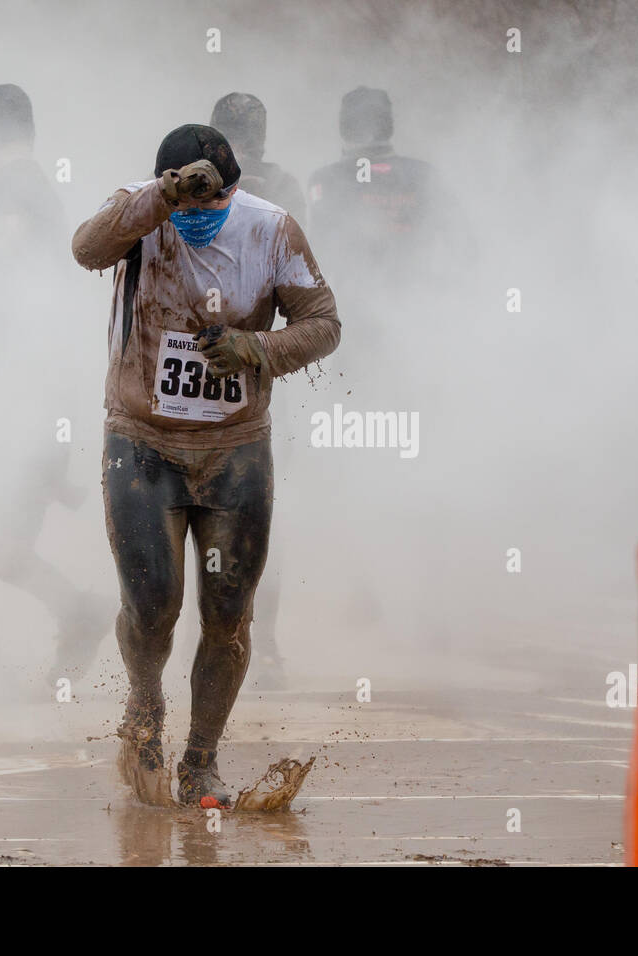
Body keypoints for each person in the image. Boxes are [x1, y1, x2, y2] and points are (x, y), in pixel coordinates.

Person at [71, 124, 340, 806]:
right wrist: (160, 199)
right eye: (185, 203)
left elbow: (325, 322)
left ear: (233, 192)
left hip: (235, 451)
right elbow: (85, 249)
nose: (196, 217)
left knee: (228, 615)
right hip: (143, 441)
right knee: (153, 605)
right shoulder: (138, 211)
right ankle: (144, 704)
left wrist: (257, 349)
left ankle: (201, 761)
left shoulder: (272, 229)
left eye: (208, 204)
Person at [0, 84, 106, 693]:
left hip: (20, 398)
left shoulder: (11, 192)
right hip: (35, 396)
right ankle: (74, 614)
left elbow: (2, 288)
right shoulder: (37, 190)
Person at [209, 91, 305, 689]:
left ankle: (233, 639)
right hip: (260, 370)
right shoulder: (284, 188)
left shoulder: (197, 183)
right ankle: (258, 643)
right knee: (254, 513)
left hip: (209, 364)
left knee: (199, 508)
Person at [306, 86, 437, 283]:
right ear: (388, 125)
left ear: (344, 128)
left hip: (354, 303)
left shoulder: (327, 180)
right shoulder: (425, 175)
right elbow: (464, 247)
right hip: (421, 296)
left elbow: (317, 255)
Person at [210, 92, 306, 223]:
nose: (238, 153)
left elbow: (293, 238)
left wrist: (262, 201)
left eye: (247, 145)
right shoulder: (197, 181)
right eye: (229, 141)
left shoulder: (282, 185)